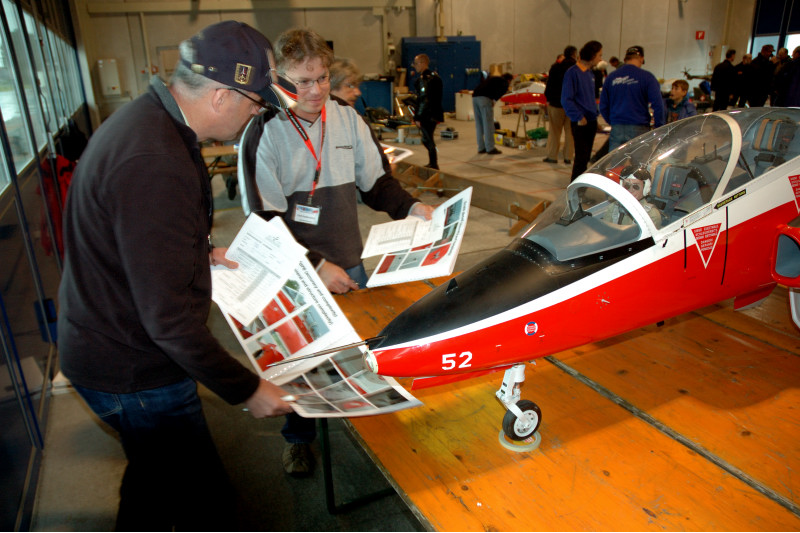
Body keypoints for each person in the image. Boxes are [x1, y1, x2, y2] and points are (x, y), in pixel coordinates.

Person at [56, 21, 292, 531]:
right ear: (223, 96)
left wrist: (194, 250)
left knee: (152, 480)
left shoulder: (150, 124)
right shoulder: (154, 159)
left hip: (103, 341)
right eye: (256, 102)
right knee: (203, 501)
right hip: (134, 368)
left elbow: (130, 234)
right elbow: (166, 321)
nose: (257, 113)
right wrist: (247, 388)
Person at [237, 27, 435, 477]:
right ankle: (298, 439)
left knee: (362, 353)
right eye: (302, 82)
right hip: (292, 274)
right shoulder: (261, 131)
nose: (315, 90)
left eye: (322, 78)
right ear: (278, 82)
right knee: (298, 365)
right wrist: (314, 265)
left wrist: (411, 207)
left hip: (349, 264)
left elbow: (375, 183)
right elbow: (261, 225)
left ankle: (377, 440)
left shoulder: (346, 117)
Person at [599, 45, 664, 152]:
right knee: (639, 164)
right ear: (642, 59)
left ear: (625, 59)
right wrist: (659, 127)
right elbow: (658, 105)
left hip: (617, 127)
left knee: (616, 164)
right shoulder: (647, 77)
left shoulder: (611, 77)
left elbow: (603, 105)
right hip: (639, 127)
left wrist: (612, 121)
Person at [562, 40, 603, 182]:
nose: (600, 59)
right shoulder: (572, 73)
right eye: (599, 55)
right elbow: (566, 99)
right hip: (581, 122)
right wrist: (578, 117)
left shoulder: (590, 74)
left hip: (591, 120)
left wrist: (595, 117)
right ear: (592, 55)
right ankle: (575, 189)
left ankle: (582, 188)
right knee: (580, 158)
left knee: (585, 158)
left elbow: (590, 98)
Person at [543, 45, 576, 165]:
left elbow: (549, 86)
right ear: (574, 54)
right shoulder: (577, 68)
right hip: (572, 106)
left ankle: (552, 156)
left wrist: (549, 99)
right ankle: (568, 157)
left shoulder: (556, 67)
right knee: (570, 132)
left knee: (555, 131)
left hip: (556, 104)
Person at [411, 53, 444, 169]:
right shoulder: (435, 77)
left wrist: (418, 117)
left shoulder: (424, 79)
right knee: (428, 138)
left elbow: (423, 99)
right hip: (434, 113)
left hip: (427, 115)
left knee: (427, 139)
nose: (414, 66)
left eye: (416, 63)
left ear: (422, 63)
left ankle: (434, 163)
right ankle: (433, 162)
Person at [471, 72, 513, 154]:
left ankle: (481, 147)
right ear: (509, 80)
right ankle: (490, 148)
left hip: (475, 97)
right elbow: (503, 91)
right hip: (485, 98)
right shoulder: (504, 82)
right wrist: (494, 100)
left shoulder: (493, 78)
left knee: (479, 124)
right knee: (488, 124)